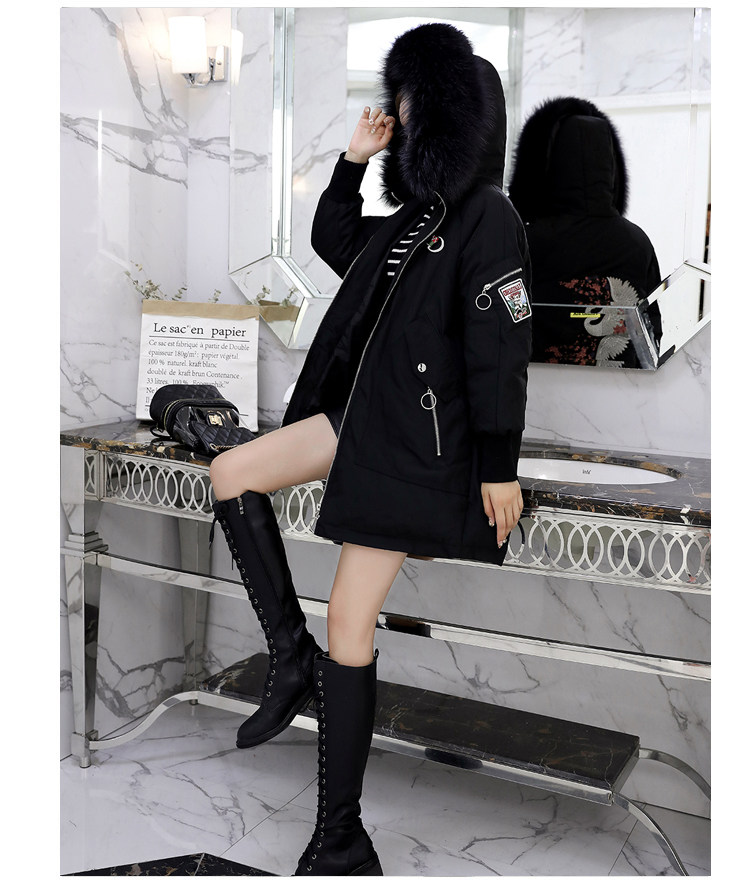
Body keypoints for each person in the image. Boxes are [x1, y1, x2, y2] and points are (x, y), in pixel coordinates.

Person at [209, 23, 532, 876]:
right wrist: (354, 161)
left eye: (416, 102)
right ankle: (289, 658)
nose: (402, 112)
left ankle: (340, 836)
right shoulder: (413, 222)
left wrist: (499, 464)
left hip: (411, 450)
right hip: (355, 421)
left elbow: (501, 350)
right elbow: (334, 238)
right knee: (231, 472)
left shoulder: (491, 219)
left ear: (456, 115)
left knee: (350, 623)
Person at [508, 96, 662, 367]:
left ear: (542, 165)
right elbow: (652, 335)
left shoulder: (526, 243)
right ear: (611, 164)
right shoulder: (637, 244)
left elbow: (505, 329)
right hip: (623, 389)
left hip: (541, 388)